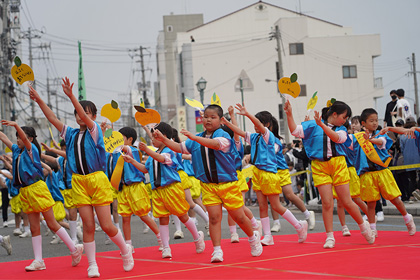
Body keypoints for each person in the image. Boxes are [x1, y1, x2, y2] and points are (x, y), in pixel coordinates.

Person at [29, 78, 133, 278]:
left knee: (107, 225)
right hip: (78, 181)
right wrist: (39, 100)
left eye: (86, 113)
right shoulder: (70, 133)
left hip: (97, 180)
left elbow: (86, 120)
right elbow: (51, 118)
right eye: (77, 112)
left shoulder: (94, 132)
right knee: (87, 224)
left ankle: (125, 250)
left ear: (93, 116)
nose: (80, 115)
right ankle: (92, 264)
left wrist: (71, 96)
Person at [153, 105, 262, 263]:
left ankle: (253, 238)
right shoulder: (197, 138)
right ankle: (217, 250)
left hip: (228, 185)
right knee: (214, 218)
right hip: (208, 186)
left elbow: (215, 145)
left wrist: (194, 138)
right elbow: (180, 148)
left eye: (213, 117)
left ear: (220, 120)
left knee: (239, 217)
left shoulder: (223, 135)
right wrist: (163, 139)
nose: (208, 120)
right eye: (206, 117)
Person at [284, 99, 375, 249]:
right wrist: (289, 114)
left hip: (338, 164)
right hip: (319, 166)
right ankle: (330, 236)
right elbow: (295, 130)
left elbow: (337, 138)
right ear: (334, 114)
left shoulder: (341, 129)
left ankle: (364, 227)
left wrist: (322, 125)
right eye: (344, 117)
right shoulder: (312, 125)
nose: (345, 121)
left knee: (346, 201)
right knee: (327, 203)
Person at [0, 121, 83, 271]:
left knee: (52, 223)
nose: (17, 140)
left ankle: (74, 248)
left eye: (20, 137)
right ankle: (39, 260)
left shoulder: (32, 150)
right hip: (25, 191)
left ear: (30, 139)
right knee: (34, 227)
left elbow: (24, 141)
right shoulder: (16, 150)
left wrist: (15, 125)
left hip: (37, 189)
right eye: (17, 137)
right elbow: (4, 138)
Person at [222, 105, 308, 246]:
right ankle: (268, 236)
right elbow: (241, 132)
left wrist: (247, 113)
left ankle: (299, 226)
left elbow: (259, 126)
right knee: (262, 206)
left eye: (259, 122)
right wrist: (228, 123)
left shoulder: (268, 135)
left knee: (276, 206)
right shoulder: (254, 137)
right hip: (258, 173)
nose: (256, 126)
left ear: (267, 124)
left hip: (269, 174)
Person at [122, 122, 205, 259]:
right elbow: (145, 169)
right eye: (152, 137)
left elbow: (162, 159)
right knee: (162, 219)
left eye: (154, 137)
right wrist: (132, 161)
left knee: (182, 215)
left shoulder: (170, 150)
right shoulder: (154, 153)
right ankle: (166, 247)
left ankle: (197, 238)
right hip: (157, 190)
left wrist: (147, 151)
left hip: (171, 188)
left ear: (164, 136)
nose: (152, 140)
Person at [353, 108, 416, 237]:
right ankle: (373, 229)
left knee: (395, 199)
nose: (375, 123)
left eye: (376, 120)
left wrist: (370, 140)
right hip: (367, 174)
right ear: (363, 123)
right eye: (371, 121)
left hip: (382, 172)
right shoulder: (358, 137)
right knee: (371, 204)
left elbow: (381, 143)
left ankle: (407, 219)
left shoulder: (381, 134)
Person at [114, 126, 162, 251]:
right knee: (125, 218)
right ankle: (129, 245)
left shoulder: (133, 151)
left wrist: (111, 138)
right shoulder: (117, 153)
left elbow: (122, 147)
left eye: (121, 138)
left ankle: (161, 239)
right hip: (124, 188)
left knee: (144, 215)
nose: (119, 141)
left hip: (136, 187)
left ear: (130, 139)